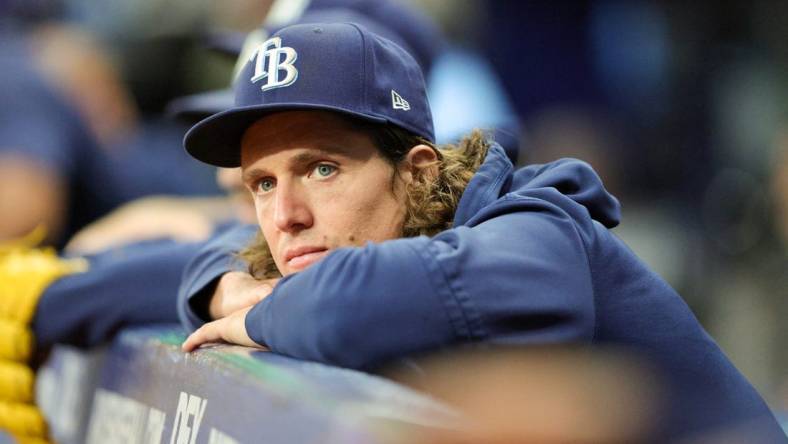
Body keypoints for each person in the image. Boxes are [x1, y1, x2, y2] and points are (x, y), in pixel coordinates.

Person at [176, 22, 787, 441]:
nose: (286, 215)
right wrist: (225, 288)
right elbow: (144, 276)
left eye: (323, 168)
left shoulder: (538, 225)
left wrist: (261, 309)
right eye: (262, 183)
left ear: (415, 175)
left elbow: (371, 298)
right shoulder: (343, 247)